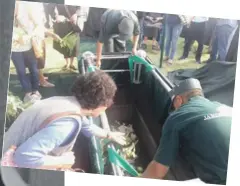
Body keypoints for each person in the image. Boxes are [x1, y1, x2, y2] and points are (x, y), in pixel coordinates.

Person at [1, 70, 126, 185]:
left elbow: (87, 126)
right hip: (13, 174)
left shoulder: (67, 103)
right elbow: (23, 157)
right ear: (100, 104)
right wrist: (63, 161)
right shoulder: (66, 124)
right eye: (108, 101)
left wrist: (109, 134)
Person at [141, 78, 231, 185]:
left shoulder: (179, 115)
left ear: (178, 100)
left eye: (173, 106)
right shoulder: (226, 108)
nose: (174, 110)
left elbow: (158, 170)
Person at [11, 1, 42, 103]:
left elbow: (38, 25)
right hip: (14, 49)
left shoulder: (27, 7)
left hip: (29, 46)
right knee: (21, 72)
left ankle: (36, 91)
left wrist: (27, 36)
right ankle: (27, 93)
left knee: (34, 69)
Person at [51, 4, 88, 70]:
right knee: (65, 45)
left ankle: (71, 63)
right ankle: (67, 63)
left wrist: (76, 14)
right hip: (62, 25)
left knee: (74, 45)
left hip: (74, 24)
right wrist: (56, 16)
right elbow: (51, 8)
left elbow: (81, 7)